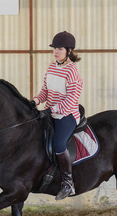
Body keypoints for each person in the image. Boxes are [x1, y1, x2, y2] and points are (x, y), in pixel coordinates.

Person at [33, 31, 83, 200]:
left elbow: (71, 100)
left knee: (58, 143)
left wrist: (51, 110)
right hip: (50, 112)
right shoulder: (52, 67)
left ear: (69, 51)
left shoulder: (72, 72)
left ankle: (68, 183)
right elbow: (45, 91)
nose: (56, 51)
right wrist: (34, 101)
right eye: (54, 48)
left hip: (66, 115)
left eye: (60, 49)